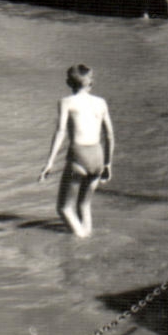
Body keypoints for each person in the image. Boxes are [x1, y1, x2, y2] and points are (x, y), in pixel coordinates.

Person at [38, 64, 115, 238]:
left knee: (64, 208)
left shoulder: (66, 102)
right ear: (91, 83)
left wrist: (49, 163)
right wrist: (108, 164)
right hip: (97, 156)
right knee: (84, 205)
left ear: (68, 82)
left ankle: (82, 241)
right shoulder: (101, 103)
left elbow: (60, 132)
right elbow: (109, 135)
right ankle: (88, 235)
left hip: (79, 157)